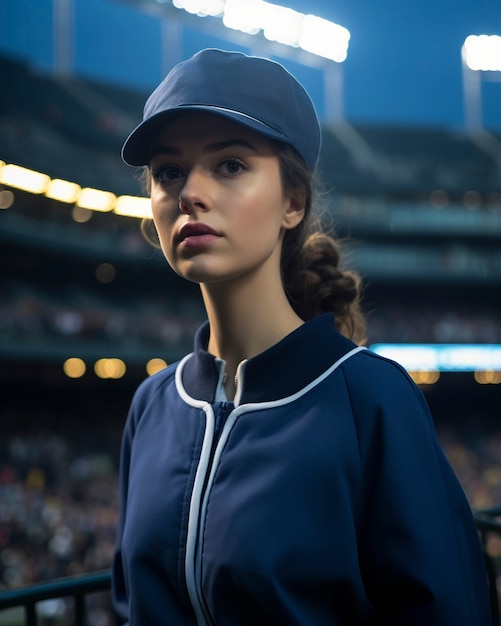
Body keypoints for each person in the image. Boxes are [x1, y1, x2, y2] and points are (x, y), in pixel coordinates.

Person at [112, 48, 491, 626]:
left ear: (293, 203)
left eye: (231, 164)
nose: (189, 192)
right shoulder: (152, 405)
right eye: (169, 171)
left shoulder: (370, 397)